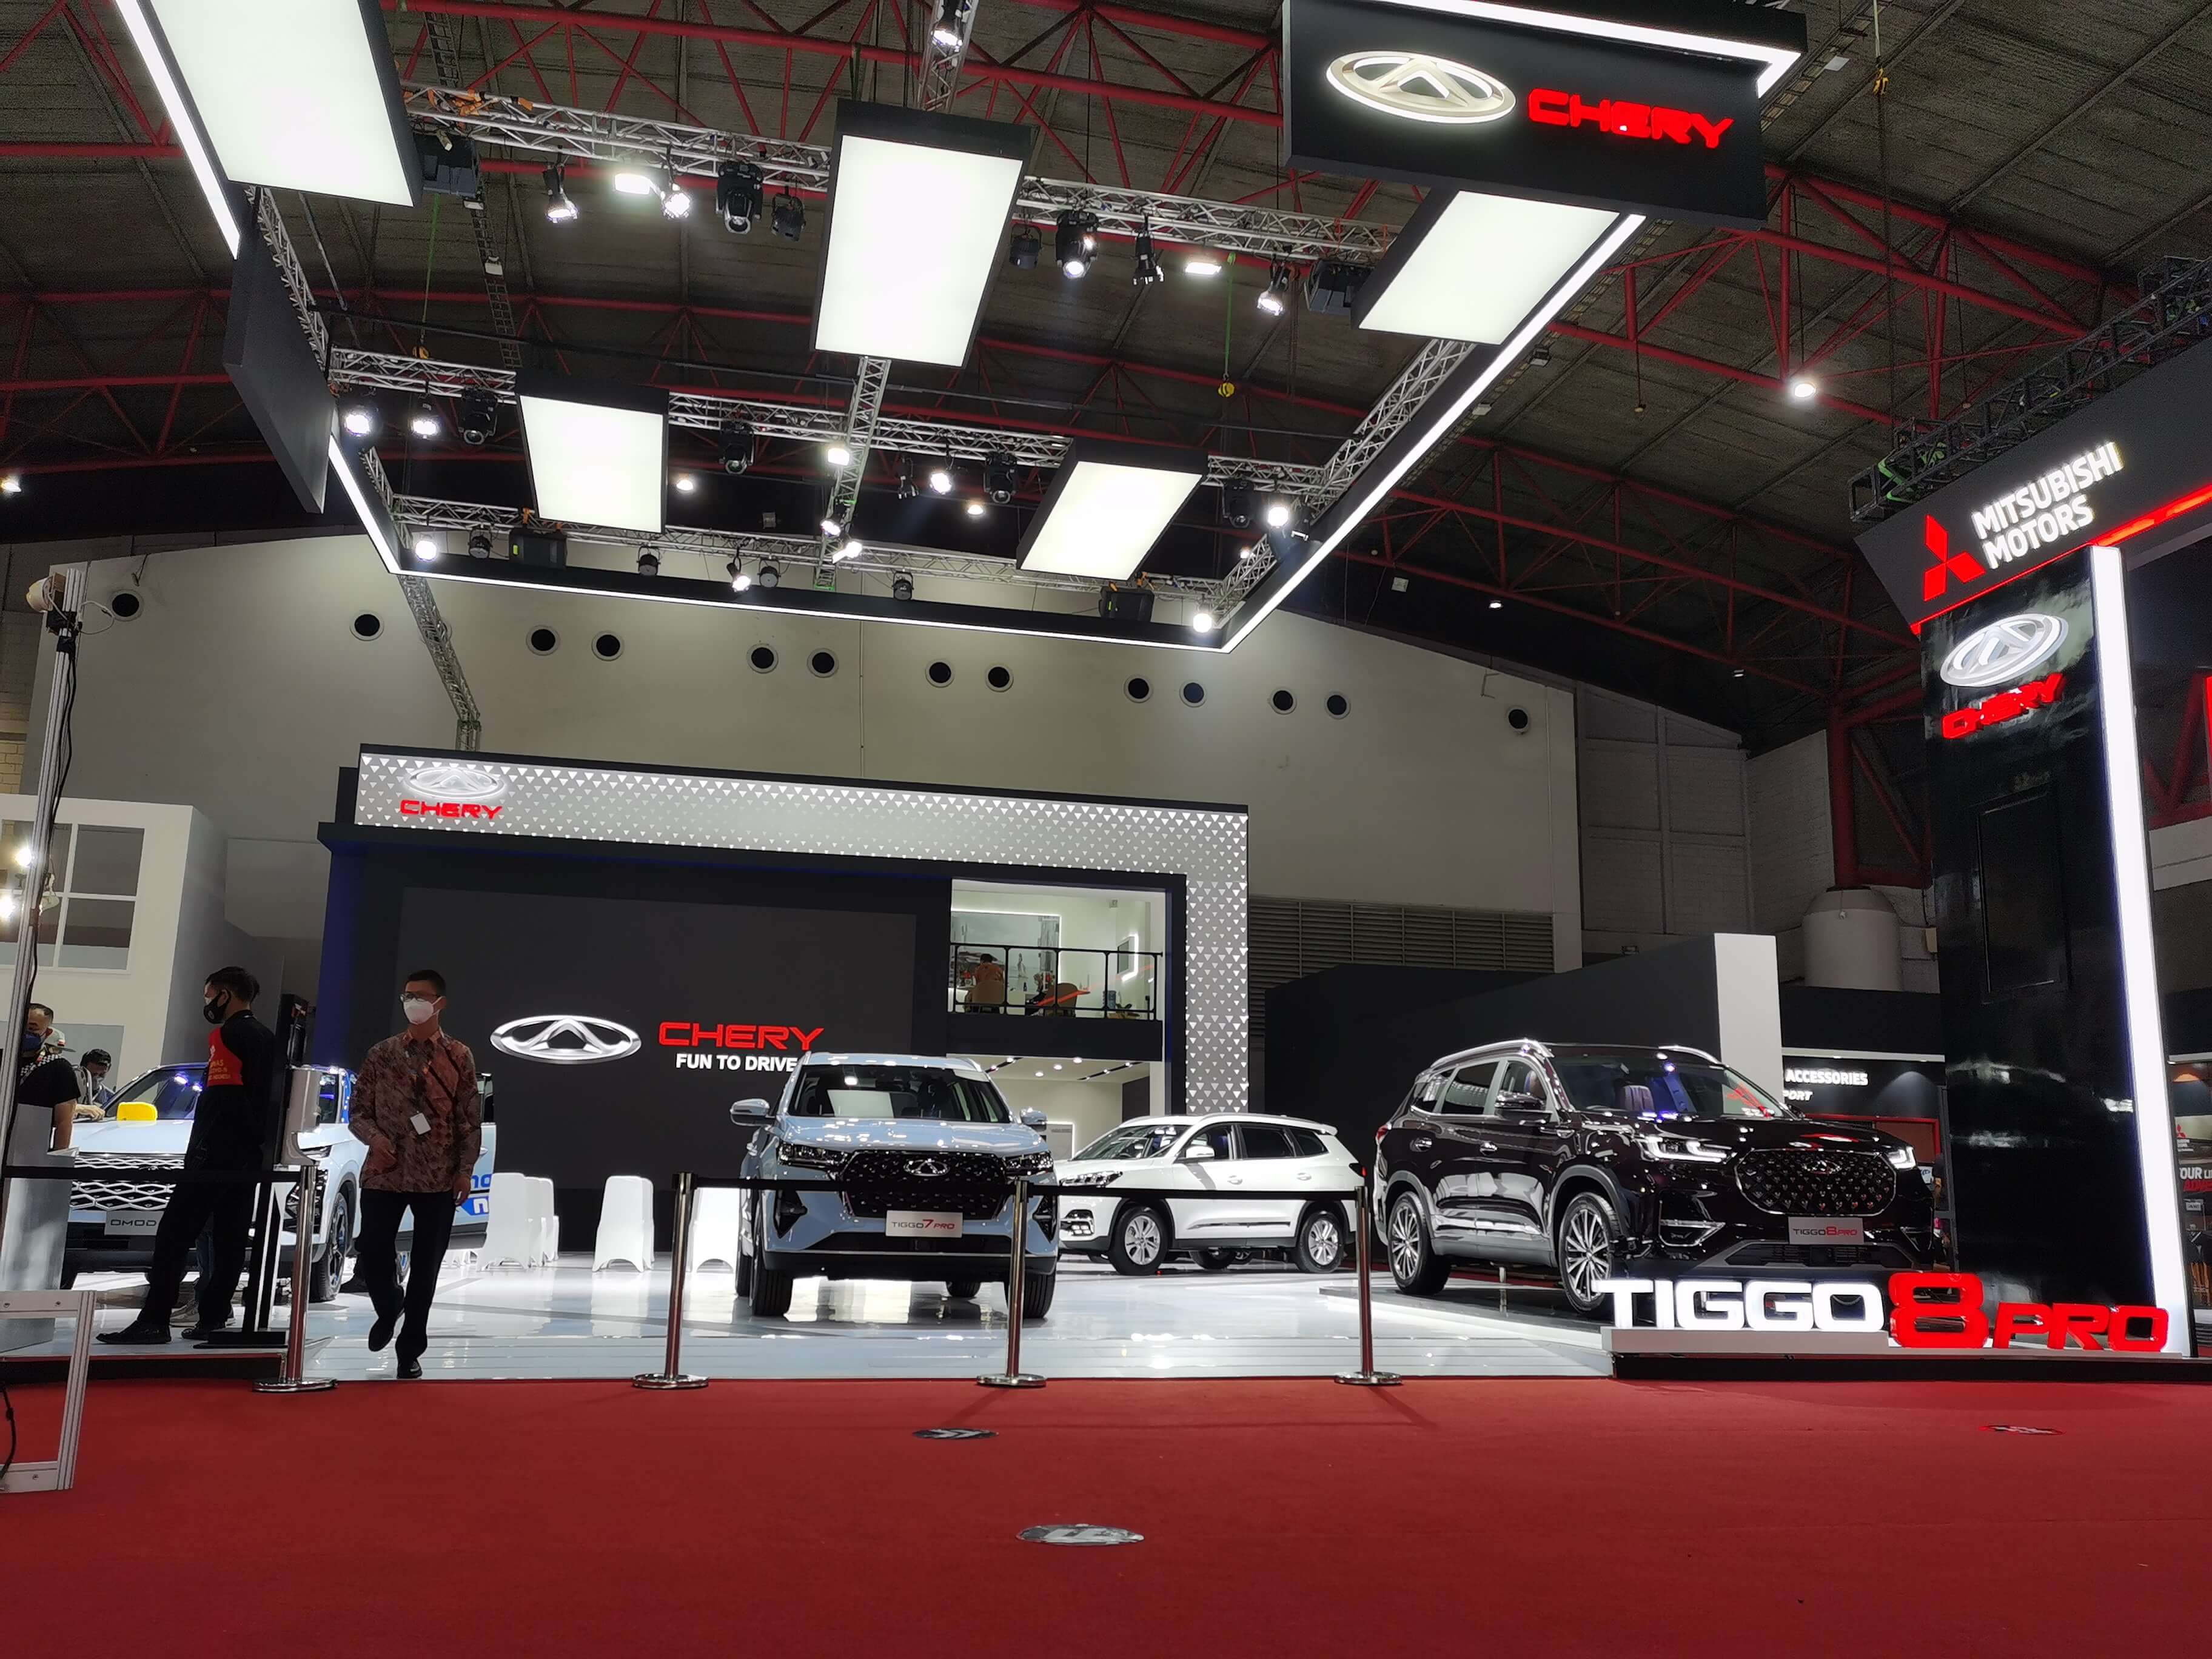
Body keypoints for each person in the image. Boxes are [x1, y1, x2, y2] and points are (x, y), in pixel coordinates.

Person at [99, 967, 278, 1345]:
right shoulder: (267, 1037)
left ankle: (154, 1320)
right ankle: (213, 1317)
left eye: (210, 994)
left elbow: (225, 1099)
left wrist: (203, 1150)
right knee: (230, 1238)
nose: (208, 1002)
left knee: (173, 1235)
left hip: (214, 1156)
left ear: (226, 995)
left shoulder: (226, 1035)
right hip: (248, 1158)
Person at [349, 970, 480, 1379]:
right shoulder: (382, 1054)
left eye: (421, 996)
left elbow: (468, 1121)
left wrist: (464, 1171)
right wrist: (375, 1139)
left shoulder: (458, 1056)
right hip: (384, 1172)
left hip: (437, 1176)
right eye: (407, 996)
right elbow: (358, 1112)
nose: (413, 1003)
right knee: (372, 1249)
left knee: (427, 1267)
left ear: (440, 1003)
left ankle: (410, 1351)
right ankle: (389, 1304)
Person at [15, 1005, 80, 1153]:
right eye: (21, 1026)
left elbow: (64, 1122)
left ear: (47, 1032)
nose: (25, 1032)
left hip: (31, 1153)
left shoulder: (59, 1068)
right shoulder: (5, 1061)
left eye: (32, 1029)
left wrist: (58, 1159)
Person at [73, 1048, 115, 1119]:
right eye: (93, 1074)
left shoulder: (110, 1099)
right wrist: (80, 1108)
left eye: (102, 1075)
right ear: (82, 1070)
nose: (97, 1078)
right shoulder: (66, 1089)